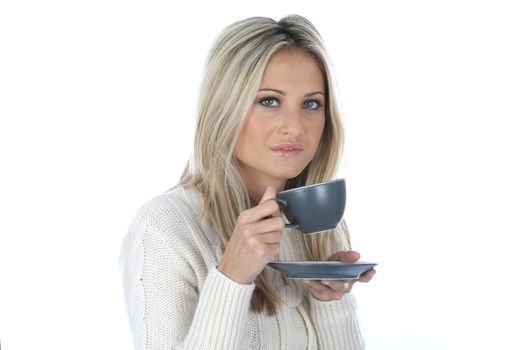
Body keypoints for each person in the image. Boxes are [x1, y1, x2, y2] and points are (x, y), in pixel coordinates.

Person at [120, 15, 376, 350]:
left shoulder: (323, 229)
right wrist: (232, 276)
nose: (294, 127)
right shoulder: (165, 229)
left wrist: (332, 301)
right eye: (269, 101)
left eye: (311, 103)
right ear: (225, 107)